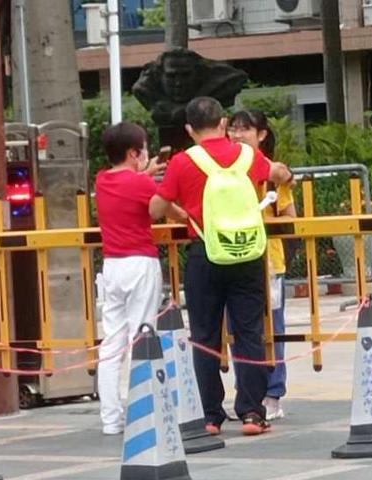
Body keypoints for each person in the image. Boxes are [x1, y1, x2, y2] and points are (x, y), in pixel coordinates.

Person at [149, 97, 294, 436]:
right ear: (224, 123)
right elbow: (278, 173)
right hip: (248, 256)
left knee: (204, 335)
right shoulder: (247, 155)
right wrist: (286, 175)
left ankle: (211, 416)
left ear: (189, 128)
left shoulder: (184, 161)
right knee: (249, 333)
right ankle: (252, 414)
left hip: (206, 254)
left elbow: (157, 207)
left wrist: (180, 213)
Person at [95, 122, 186, 435]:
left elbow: (128, 184)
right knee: (141, 337)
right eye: (144, 149)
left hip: (112, 267)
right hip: (140, 264)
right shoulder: (142, 185)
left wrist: (145, 172)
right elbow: (166, 211)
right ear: (135, 153)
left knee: (112, 342)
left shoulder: (102, 179)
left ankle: (110, 419)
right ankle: (141, 410)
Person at [228, 109, 294, 421]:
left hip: (269, 261)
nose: (237, 135)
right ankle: (247, 392)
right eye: (233, 129)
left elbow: (291, 218)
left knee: (273, 330)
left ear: (262, 135)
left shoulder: (273, 173)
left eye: (245, 129)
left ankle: (272, 393)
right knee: (239, 330)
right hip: (235, 257)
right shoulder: (225, 172)